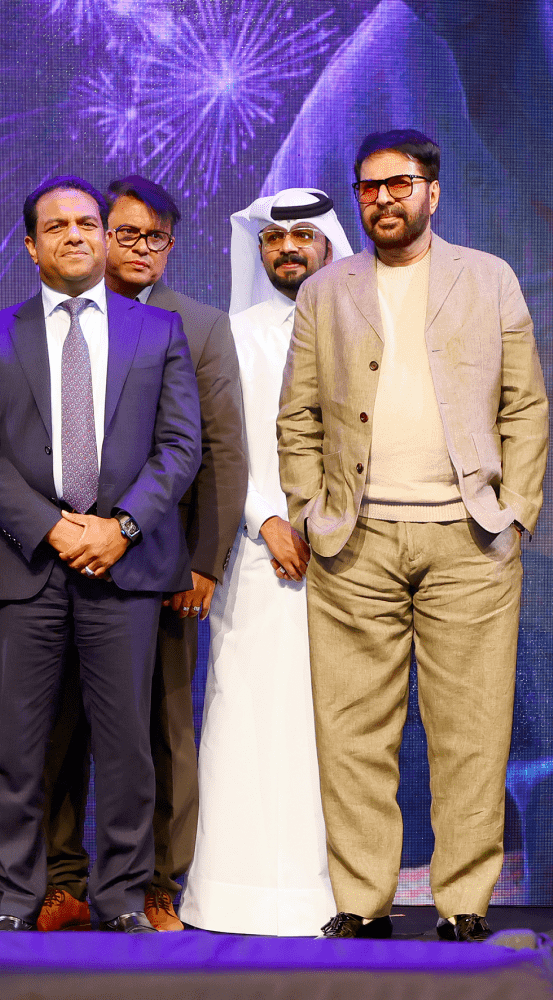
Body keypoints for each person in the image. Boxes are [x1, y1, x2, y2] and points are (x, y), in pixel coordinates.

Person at [278, 130, 548, 942]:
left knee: (472, 730)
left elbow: (526, 406)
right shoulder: (325, 290)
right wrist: (307, 508)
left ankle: (463, 903)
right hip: (354, 543)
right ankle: (363, 902)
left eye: (399, 184)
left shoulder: (488, 277)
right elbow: (297, 416)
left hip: (470, 540)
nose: (383, 200)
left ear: (432, 191)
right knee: (353, 731)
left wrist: (516, 510)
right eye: (369, 188)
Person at [0, 176, 200, 933]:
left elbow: (180, 447)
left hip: (125, 566)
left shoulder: (157, 331)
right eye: (56, 226)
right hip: (26, 565)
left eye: (88, 222)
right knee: (18, 746)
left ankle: (122, 896)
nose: (75, 235)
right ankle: (15, 898)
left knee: (127, 745)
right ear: (32, 246)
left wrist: (120, 527)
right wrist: (53, 527)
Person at [38, 175, 247, 932]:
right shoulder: (52, 320)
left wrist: (204, 561)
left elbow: (222, 451)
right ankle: (62, 882)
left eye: (154, 237)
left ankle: (157, 882)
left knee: (160, 728)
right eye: (124, 232)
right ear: (97, 235)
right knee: (61, 726)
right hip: (60, 562)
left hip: (161, 565)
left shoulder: (200, 326)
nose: (139, 248)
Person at [180, 189, 352, 936]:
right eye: (274, 239)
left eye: (303, 236)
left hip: (350, 556)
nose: (287, 248)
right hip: (258, 557)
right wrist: (269, 519)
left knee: (340, 724)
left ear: (329, 244)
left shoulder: (362, 325)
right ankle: (231, 895)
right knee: (245, 715)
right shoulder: (235, 333)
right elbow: (223, 444)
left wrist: (328, 522)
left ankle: (341, 895)